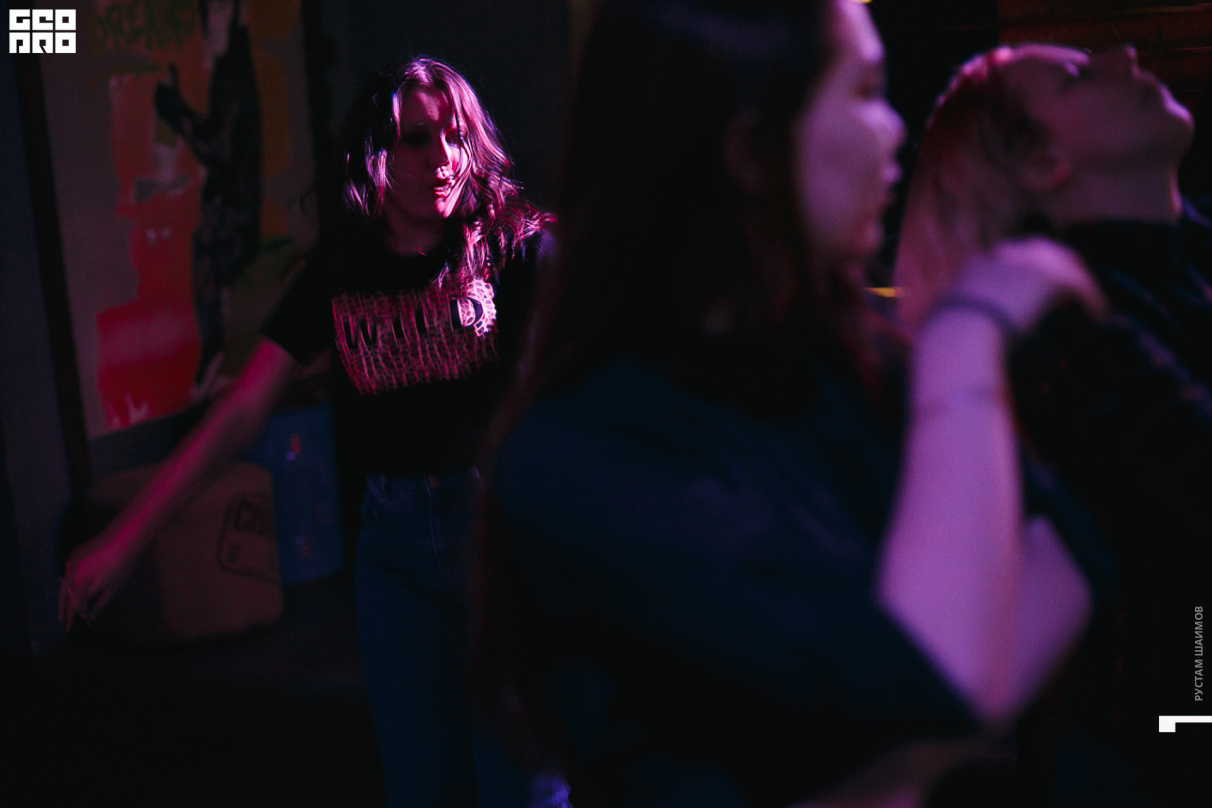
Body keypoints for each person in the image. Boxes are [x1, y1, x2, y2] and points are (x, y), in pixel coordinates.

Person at [471, 1, 1108, 806]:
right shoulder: (581, 454)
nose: (894, 130)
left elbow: (1070, 545)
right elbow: (931, 674)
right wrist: (966, 336)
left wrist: (897, 757)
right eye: (864, 92)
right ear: (749, 149)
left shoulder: (857, 365)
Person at [61, 56, 553, 808]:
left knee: (521, 791)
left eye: (457, 136)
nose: (444, 158)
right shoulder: (340, 275)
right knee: (423, 789)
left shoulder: (513, 248)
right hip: (395, 556)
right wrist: (125, 539)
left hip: (501, 542)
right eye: (418, 138)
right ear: (377, 155)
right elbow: (240, 412)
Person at [894, 43, 1212, 806]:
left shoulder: (1187, 269)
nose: (1123, 54)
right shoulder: (1047, 318)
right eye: (1074, 77)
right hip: (1160, 747)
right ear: (1041, 165)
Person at [154, 0, 262, 396]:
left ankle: (217, 361)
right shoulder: (230, 71)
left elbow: (218, 146)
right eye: (209, 12)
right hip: (235, 214)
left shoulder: (232, 75)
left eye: (220, 10)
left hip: (234, 218)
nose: (211, 23)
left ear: (237, 16)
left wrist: (172, 107)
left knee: (206, 252)